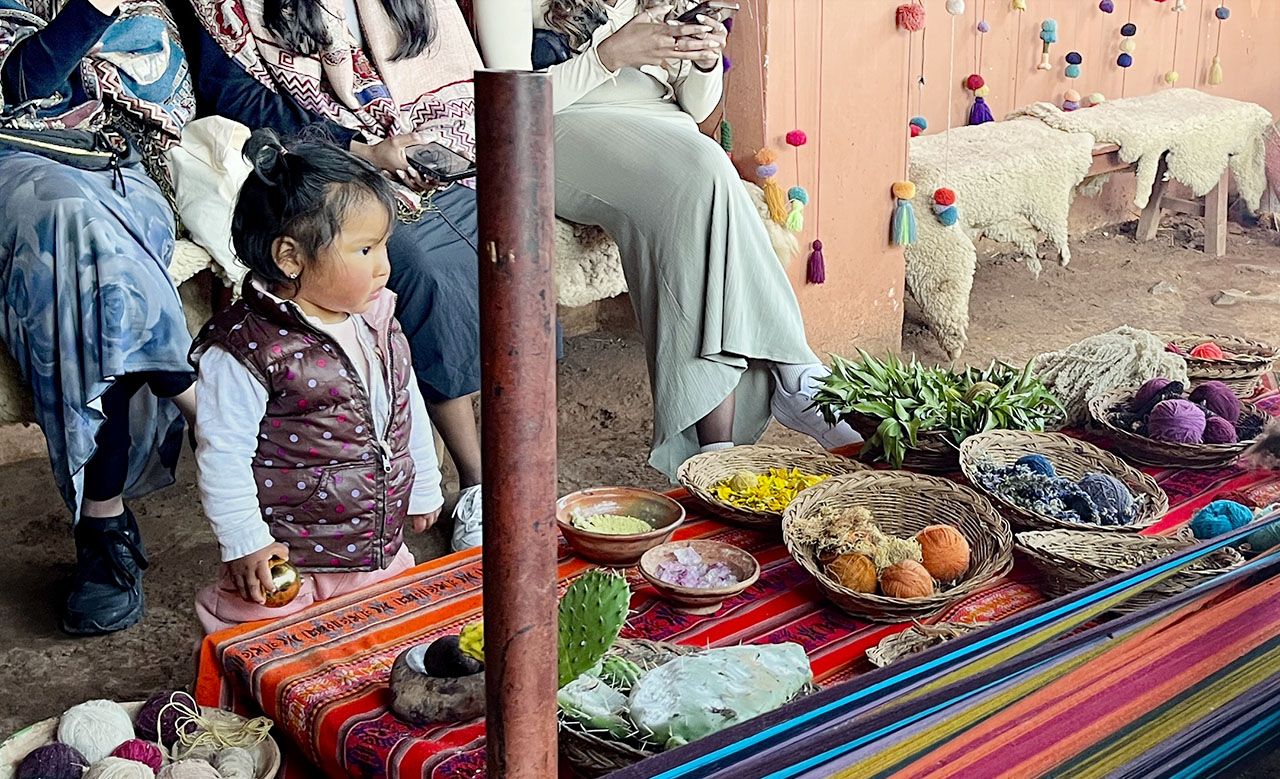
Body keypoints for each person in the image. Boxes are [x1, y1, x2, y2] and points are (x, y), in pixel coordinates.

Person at [473, 0, 859, 478]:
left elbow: (695, 107)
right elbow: (509, 103)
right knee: (703, 170)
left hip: (665, 126)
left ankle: (717, 454)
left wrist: (702, 59)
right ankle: (793, 374)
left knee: (704, 171)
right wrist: (607, 56)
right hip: (560, 125)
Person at [170, 0, 485, 550]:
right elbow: (237, 102)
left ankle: (475, 471)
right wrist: (361, 150)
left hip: (423, 147)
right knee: (424, 267)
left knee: (510, 242)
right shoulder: (223, 9)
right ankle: (477, 478)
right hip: (317, 173)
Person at [191, 130, 444, 633]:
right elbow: (222, 451)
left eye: (384, 246)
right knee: (268, 640)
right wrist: (245, 541)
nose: (384, 265)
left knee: (383, 634)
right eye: (366, 249)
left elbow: (403, 400)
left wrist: (425, 483)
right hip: (288, 555)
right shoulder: (246, 349)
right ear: (290, 258)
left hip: (372, 541)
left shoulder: (376, 320)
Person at [0, 0, 198, 634]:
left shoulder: (145, 8)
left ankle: (103, 522)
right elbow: (20, 83)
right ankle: (203, 401)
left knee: (105, 257)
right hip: (13, 164)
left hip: (116, 168)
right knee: (73, 226)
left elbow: (162, 101)